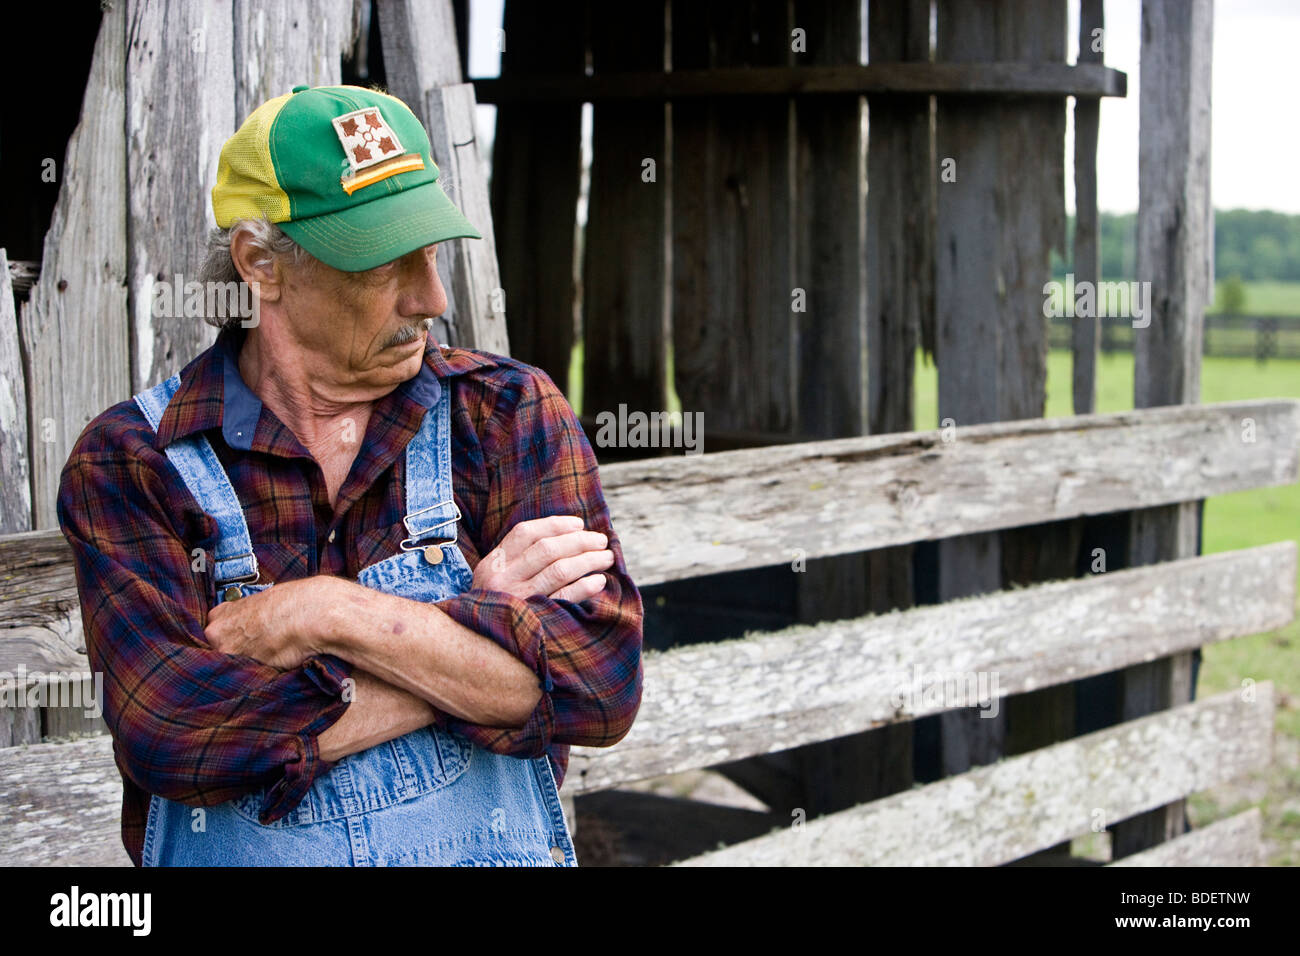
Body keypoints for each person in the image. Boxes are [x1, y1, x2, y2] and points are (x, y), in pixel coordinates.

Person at [56, 84, 644, 866]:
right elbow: (179, 742)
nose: (430, 298)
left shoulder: (503, 413)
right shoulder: (134, 460)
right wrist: (475, 634)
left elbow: (600, 687)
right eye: (383, 263)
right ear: (261, 264)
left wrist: (322, 614)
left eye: (430, 253)